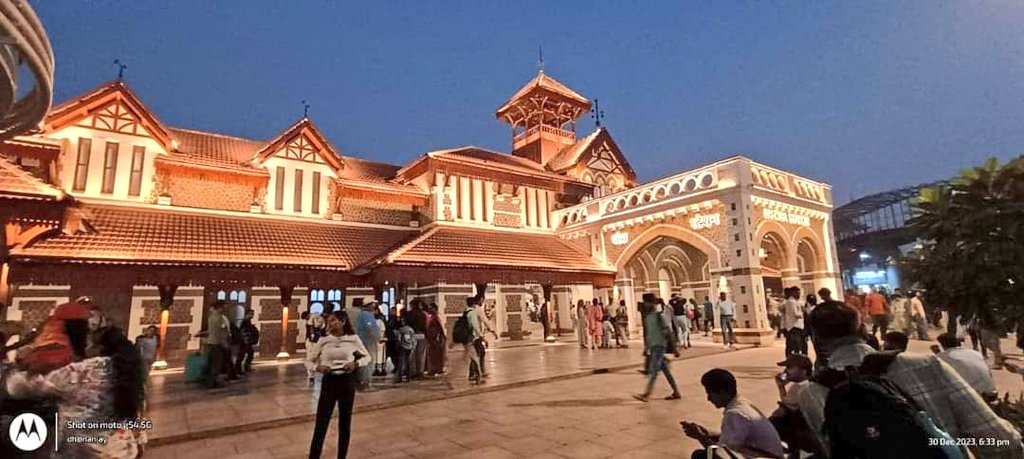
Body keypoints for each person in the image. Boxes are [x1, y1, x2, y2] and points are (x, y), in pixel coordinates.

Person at [798, 301, 1022, 458]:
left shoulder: (811, 392)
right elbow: (997, 440)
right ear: (863, 330)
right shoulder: (925, 364)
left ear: (816, 340)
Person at [8, 326, 147, 458]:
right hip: (120, 450)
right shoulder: (132, 376)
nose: (86, 347)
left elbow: (34, 386)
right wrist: (139, 443)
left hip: (83, 450)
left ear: (99, 348)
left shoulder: (84, 370)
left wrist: (14, 376)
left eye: (88, 344)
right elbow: (138, 417)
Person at [307, 312, 370, 459]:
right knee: (321, 422)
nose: (330, 324)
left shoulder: (353, 339)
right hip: (329, 381)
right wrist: (317, 368)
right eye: (329, 321)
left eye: (333, 321)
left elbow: (367, 357)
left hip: (346, 381)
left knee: (345, 422)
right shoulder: (323, 340)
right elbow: (309, 361)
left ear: (342, 321)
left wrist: (356, 364)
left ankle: (342, 456)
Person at [682, 369, 785, 459]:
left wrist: (700, 437)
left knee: (700, 456)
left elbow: (723, 455)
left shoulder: (735, 414)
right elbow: (733, 439)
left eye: (710, 393)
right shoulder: (742, 403)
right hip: (768, 454)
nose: (708, 398)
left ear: (722, 392)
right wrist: (708, 434)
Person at [770, 354, 822, 456]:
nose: (786, 371)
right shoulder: (808, 384)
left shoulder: (801, 387)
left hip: (805, 438)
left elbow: (785, 406)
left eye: (790, 367)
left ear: (803, 370)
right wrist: (781, 387)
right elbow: (788, 402)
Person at [633, 295, 681, 402]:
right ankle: (676, 392)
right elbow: (649, 334)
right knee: (666, 371)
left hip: (659, 346)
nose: (646, 304)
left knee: (654, 371)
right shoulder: (648, 317)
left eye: (647, 302)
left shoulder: (659, 316)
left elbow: (667, 332)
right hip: (654, 346)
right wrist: (647, 347)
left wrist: (674, 349)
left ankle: (646, 394)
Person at [935, 332, 997, 401]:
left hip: (972, 395)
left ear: (942, 344)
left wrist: (938, 353)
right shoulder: (975, 353)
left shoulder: (942, 356)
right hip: (990, 391)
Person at [202, 301, 230, 389]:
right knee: (216, 363)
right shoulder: (219, 317)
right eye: (223, 307)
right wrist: (225, 342)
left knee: (210, 362)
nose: (224, 309)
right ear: (219, 307)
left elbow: (211, 330)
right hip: (217, 342)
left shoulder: (211, 317)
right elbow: (222, 331)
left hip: (210, 342)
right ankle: (212, 382)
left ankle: (208, 381)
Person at [781, 287, 806, 357]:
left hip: (796, 326)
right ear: (793, 293)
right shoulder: (791, 302)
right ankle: (793, 360)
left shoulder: (794, 301)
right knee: (795, 346)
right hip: (794, 326)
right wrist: (802, 312)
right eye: (797, 293)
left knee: (794, 345)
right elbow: (796, 314)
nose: (799, 294)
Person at [406, 299, 427, 379]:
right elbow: (425, 325)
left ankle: (413, 372)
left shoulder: (410, 314)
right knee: (421, 355)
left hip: (412, 334)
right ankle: (420, 372)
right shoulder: (422, 314)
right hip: (421, 335)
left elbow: (407, 324)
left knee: (412, 355)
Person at [424, 303, 446, 376]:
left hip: (436, 339)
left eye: (431, 308)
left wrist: (440, 337)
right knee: (432, 355)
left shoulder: (436, 317)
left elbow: (440, 328)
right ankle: (433, 369)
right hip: (432, 339)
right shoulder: (432, 317)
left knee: (437, 355)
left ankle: (438, 369)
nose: (429, 309)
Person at [392, 317, 414, 383]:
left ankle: (400, 377)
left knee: (401, 362)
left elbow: (399, 339)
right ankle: (408, 377)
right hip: (409, 347)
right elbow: (413, 339)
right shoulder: (411, 329)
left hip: (402, 347)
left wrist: (398, 345)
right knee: (408, 362)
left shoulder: (401, 330)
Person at [239, 308, 259, 374]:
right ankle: (243, 367)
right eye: (251, 314)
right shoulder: (245, 321)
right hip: (245, 341)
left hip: (246, 341)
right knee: (246, 354)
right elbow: (244, 330)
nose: (252, 315)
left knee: (247, 354)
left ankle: (244, 367)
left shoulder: (247, 321)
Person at [372, 310, 388, 376]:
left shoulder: (375, 322)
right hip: (378, 340)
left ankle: (379, 369)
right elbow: (383, 331)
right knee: (379, 356)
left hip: (376, 340)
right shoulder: (380, 322)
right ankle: (379, 369)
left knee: (378, 356)